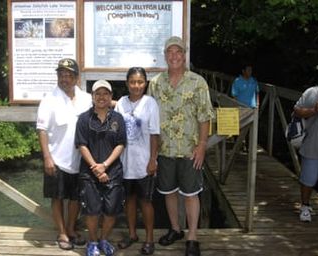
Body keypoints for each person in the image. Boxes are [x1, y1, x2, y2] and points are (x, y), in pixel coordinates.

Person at [148, 36, 214, 256]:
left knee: (191, 194)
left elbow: (205, 117)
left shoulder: (198, 82)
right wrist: (153, 153)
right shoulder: (155, 83)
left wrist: (202, 145)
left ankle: (192, 237)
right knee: (168, 192)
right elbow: (150, 118)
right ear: (165, 55)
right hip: (165, 149)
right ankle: (175, 229)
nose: (174, 56)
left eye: (178, 52)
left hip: (189, 150)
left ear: (184, 56)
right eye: (170, 52)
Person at [36, 58, 90, 250]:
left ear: (76, 78)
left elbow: (104, 103)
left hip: (80, 159)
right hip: (56, 159)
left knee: (76, 198)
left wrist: (123, 103)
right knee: (57, 197)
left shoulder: (86, 98)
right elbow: (42, 129)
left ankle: (71, 229)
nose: (64, 79)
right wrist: (47, 157)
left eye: (68, 75)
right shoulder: (49, 99)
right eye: (61, 75)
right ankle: (61, 232)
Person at [75, 80, 127, 256]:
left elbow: (121, 144)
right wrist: (95, 168)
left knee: (111, 210)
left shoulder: (118, 119)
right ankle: (93, 241)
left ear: (111, 97)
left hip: (113, 171)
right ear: (92, 97)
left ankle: (104, 239)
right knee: (92, 209)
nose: (101, 97)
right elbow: (82, 145)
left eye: (105, 93)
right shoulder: (83, 118)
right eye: (98, 93)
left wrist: (104, 165)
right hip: (89, 172)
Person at [115, 67, 160, 255]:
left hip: (144, 163)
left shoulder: (150, 103)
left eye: (140, 82)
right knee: (129, 201)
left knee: (146, 202)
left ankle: (149, 239)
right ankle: (132, 234)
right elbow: (115, 131)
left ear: (145, 83)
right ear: (127, 83)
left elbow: (155, 135)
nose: (136, 85)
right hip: (125, 164)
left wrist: (153, 160)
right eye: (132, 82)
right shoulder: (121, 104)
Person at [293, 84, 318, 222]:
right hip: (314, 143)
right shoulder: (314, 92)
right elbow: (297, 111)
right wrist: (314, 110)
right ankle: (305, 206)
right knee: (309, 177)